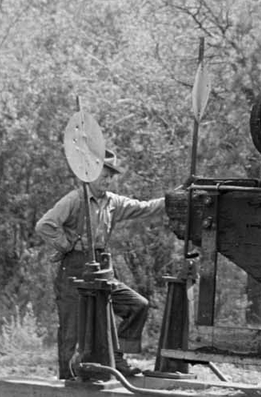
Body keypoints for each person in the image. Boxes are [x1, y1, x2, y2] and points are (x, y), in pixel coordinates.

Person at [34, 149, 166, 380]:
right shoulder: (75, 199)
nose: (107, 180)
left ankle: (118, 359)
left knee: (137, 306)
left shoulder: (112, 202)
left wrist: (174, 198)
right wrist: (67, 245)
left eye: (110, 176)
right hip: (74, 269)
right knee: (72, 330)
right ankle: (68, 381)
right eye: (103, 175)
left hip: (102, 271)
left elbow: (145, 208)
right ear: (88, 174)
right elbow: (45, 225)